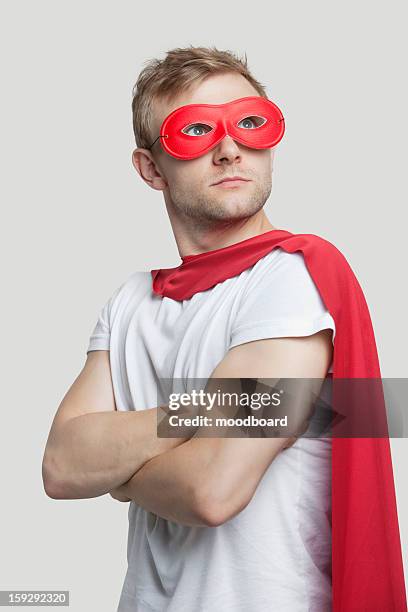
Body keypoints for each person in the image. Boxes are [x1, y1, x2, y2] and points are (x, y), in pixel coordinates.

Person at [42, 46, 406, 612]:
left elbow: (210, 490)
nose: (230, 149)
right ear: (149, 168)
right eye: (196, 131)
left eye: (250, 124)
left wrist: (117, 476)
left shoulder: (291, 277)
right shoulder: (132, 300)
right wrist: (204, 412)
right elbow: (62, 465)